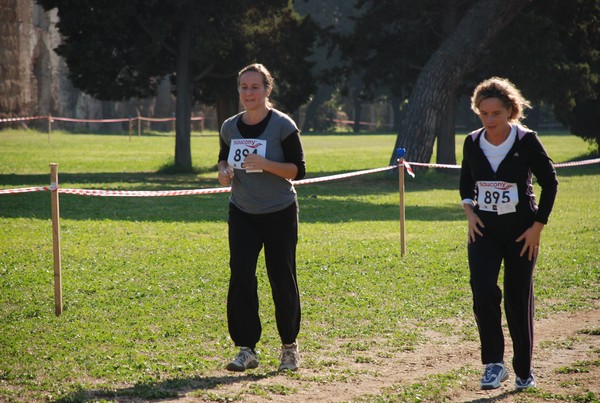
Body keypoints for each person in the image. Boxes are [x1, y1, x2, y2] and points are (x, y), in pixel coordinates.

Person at [459, 77, 558, 391]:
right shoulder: (472, 141)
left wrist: (537, 227)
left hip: (522, 233)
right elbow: (466, 182)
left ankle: (524, 370)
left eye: (496, 114)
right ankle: (493, 364)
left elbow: (550, 183)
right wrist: (470, 211)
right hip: (484, 232)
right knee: (483, 291)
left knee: (517, 300)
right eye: (483, 113)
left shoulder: (526, 140)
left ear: (511, 111)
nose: (489, 120)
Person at [217, 63, 306, 372]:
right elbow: (223, 160)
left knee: (281, 278)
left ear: (268, 90)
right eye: (244, 87)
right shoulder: (229, 126)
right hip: (242, 211)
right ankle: (246, 348)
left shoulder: (283, 125)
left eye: (255, 87)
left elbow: (297, 170)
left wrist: (266, 163)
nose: (249, 92)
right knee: (241, 276)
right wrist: (223, 172)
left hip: (279, 212)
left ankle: (289, 348)